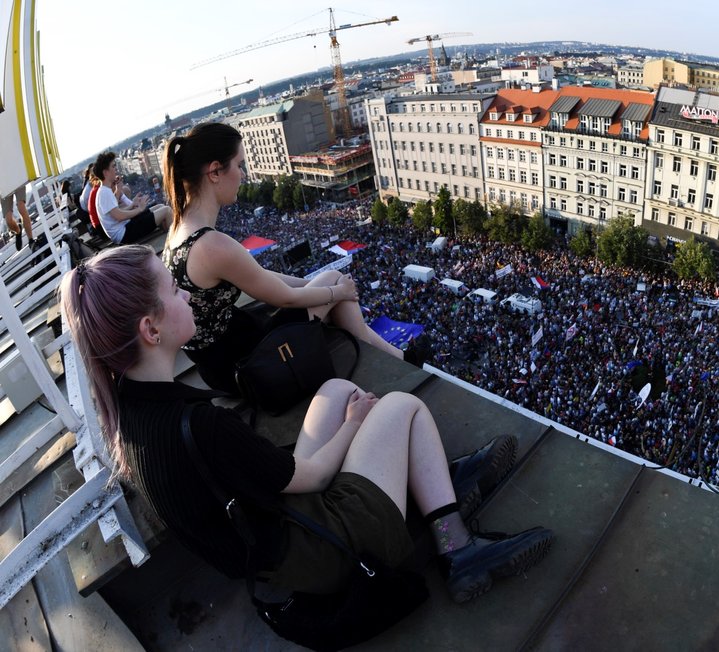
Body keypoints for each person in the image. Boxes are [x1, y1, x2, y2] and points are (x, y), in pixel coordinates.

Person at [58, 244, 554, 610]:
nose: (186, 295)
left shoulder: (133, 417)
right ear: (151, 329)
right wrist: (357, 424)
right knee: (400, 407)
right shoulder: (201, 425)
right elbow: (312, 478)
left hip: (271, 533)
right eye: (173, 290)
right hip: (318, 550)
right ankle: (457, 547)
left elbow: (261, 479)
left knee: (334, 393)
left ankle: (436, 489)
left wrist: (347, 418)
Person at [161, 122, 427, 394]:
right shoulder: (210, 244)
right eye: (239, 165)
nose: (243, 174)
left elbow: (258, 276)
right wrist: (337, 290)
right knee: (336, 282)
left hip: (223, 360)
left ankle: (401, 359)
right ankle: (399, 362)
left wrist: (316, 286)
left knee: (329, 286)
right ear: (215, 171)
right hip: (247, 365)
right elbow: (285, 298)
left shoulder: (179, 230)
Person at [92, 151, 173, 243]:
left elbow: (116, 213)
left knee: (160, 207)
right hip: (124, 233)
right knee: (167, 210)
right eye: (113, 166)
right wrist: (139, 209)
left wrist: (132, 204)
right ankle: (175, 243)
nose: (116, 169)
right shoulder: (104, 192)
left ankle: (168, 237)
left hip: (125, 228)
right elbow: (119, 216)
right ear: (105, 172)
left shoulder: (104, 191)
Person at [2, 184, 34, 250]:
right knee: (8, 220)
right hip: (3, 184)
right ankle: (18, 231)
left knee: (21, 207)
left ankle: (31, 240)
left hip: (16, 178)